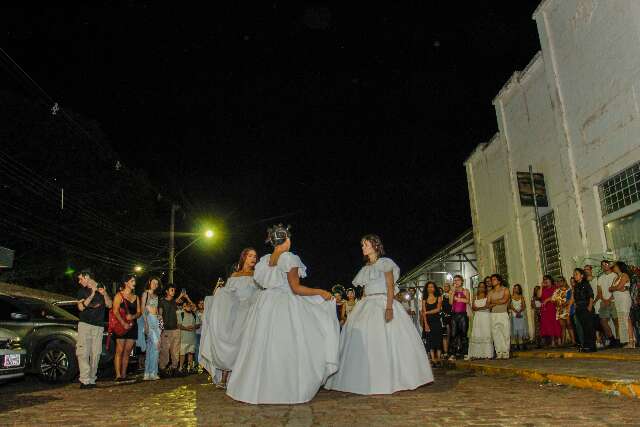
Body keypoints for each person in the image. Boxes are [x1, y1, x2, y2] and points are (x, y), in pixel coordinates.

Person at [226, 225, 339, 404]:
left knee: (263, 347)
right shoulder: (289, 258)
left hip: (265, 305)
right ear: (287, 239)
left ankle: (258, 389)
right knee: (291, 344)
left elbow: (264, 283)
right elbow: (296, 288)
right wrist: (320, 292)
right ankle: (287, 389)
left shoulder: (264, 261)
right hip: (284, 304)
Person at [325, 234, 433, 395]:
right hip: (367, 304)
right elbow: (364, 291)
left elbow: (390, 287)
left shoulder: (385, 263)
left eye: (366, 244)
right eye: (362, 245)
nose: (363, 247)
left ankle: (393, 378)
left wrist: (389, 308)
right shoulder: (365, 268)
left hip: (383, 302)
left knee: (387, 339)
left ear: (375, 246)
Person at [200, 247, 260, 388]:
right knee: (230, 342)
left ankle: (244, 380)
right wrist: (214, 299)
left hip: (250, 313)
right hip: (236, 314)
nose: (253, 258)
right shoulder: (234, 275)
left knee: (247, 345)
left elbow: (260, 293)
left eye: (255, 256)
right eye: (250, 255)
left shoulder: (257, 275)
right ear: (244, 257)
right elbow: (227, 295)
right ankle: (224, 379)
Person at [76, 269, 112, 389]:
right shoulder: (82, 291)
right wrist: (91, 294)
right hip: (84, 324)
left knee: (96, 353)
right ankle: (84, 380)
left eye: (81, 278)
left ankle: (91, 379)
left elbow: (110, 305)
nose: (80, 281)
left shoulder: (102, 288)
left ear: (87, 277)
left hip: (98, 326)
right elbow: (80, 307)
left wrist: (104, 293)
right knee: (83, 353)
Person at [112, 274, 142, 381]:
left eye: (134, 281)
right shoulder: (119, 295)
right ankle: (118, 375)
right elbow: (115, 311)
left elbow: (139, 312)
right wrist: (123, 322)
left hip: (132, 326)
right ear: (126, 283)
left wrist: (133, 316)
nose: (134, 283)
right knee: (119, 350)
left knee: (127, 351)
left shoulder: (136, 297)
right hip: (121, 326)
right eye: (132, 281)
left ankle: (124, 374)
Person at [159, 285, 186, 376]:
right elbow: (160, 315)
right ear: (167, 291)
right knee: (165, 351)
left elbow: (176, 304)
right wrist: (160, 329)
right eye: (171, 290)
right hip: (166, 330)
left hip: (175, 330)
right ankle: (162, 369)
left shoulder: (175, 302)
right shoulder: (162, 302)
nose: (173, 291)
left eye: (174, 290)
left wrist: (182, 296)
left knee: (175, 351)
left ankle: (174, 369)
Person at [610, 261, 635, 348]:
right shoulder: (615, 278)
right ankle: (628, 341)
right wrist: (615, 288)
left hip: (624, 299)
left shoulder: (624, 275)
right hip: (617, 300)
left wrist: (615, 288)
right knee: (622, 320)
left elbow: (618, 287)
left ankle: (631, 341)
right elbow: (612, 288)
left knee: (626, 318)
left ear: (620, 267)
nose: (614, 267)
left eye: (615, 266)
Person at [141, 277, 161, 381]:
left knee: (151, 348)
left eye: (157, 283)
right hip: (149, 320)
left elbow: (157, 310)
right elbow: (142, 309)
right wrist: (145, 323)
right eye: (154, 282)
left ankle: (147, 373)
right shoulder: (146, 294)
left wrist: (159, 317)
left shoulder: (156, 296)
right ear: (149, 282)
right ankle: (153, 372)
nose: (155, 285)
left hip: (156, 321)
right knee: (156, 345)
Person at [487, 274, 511, 359]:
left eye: (494, 279)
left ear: (499, 281)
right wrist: (498, 301)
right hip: (493, 315)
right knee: (496, 334)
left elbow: (504, 300)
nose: (492, 281)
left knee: (505, 333)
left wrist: (493, 302)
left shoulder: (505, 289)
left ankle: (506, 352)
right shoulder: (490, 292)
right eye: (492, 280)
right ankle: (499, 352)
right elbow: (487, 305)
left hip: (503, 313)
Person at [468, 281, 493, 359]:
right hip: (477, 317)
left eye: (483, 287)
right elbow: (473, 307)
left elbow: (489, 306)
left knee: (486, 333)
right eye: (480, 286)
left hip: (486, 316)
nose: (481, 288)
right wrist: (482, 308)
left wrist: (479, 308)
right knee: (477, 333)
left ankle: (487, 354)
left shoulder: (488, 295)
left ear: (485, 288)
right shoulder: (475, 296)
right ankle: (477, 354)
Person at [573, 268, 596, 352]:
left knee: (589, 327)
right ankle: (586, 346)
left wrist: (590, 306)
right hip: (579, 309)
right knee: (583, 328)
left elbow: (591, 295)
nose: (574, 275)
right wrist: (575, 306)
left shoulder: (586, 284)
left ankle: (592, 346)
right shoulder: (576, 286)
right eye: (574, 274)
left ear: (582, 276)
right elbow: (575, 298)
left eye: (576, 274)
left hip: (586, 307)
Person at [421, 281, 443, 365]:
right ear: (426, 288)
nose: (430, 288)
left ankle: (439, 358)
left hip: (437, 320)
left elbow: (438, 309)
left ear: (435, 288)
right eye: (429, 287)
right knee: (430, 340)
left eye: (432, 287)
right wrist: (425, 324)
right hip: (428, 321)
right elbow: (423, 312)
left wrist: (427, 313)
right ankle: (433, 359)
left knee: (438, 339)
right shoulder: (424, 299)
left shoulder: (439, 297)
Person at [597, 260, 620, 344]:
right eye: (602, 265)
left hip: (614, 301)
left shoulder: (615, 275)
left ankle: (618, 339)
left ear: (609, 265)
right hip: (604, 302)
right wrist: (604, 300)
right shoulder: (600, 278)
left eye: (606, 264)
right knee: (603, 321)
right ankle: (612, 339)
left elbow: (616, 288)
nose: (604, 266)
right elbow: (599, 291)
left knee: (616, 321)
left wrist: (610, 299)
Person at [448, 275, 470, 360]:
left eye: (458, 280)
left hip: (463, 315)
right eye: (455, 280)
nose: (456, 282)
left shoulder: (465, 291)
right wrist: (453, 292)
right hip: (454, 315)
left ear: (462, 281)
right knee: (453, 334)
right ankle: (452, 354)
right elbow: (450, 303)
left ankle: (465, 353)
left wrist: (458, 299)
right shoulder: (451, 291)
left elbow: (468, 301)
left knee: (464, 334)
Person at [539, 275, 561, 347]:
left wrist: (547, 300)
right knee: (549, 326)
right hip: (545, 310)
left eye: (547, 279)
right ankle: (552, 342)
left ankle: (559, 340)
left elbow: (556, 296)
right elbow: (539, 296)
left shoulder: (555, 288)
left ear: (550, 280)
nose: (545, 281)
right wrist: (541, 286)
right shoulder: (544, 289)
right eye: (544, 280)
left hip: (553, 308)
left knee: (555, 324)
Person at [177, 300, 199, 374]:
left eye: (190, 306)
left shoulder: (194, 314)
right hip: (183, 339)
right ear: (184, 306)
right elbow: (179, 325)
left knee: (191, 353)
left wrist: (194, 327)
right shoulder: (181, 314)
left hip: (192, 339)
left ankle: (190, 368)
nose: (189, 307)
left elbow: (198, 324)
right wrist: (187, 328)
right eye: (187, 306)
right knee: (182, 354)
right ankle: (180, 368)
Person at [552, 277, 575, 346]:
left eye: (561, 281)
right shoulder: (556, 291)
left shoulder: (569, 290)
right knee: (563, 327)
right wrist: (557, 304)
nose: (560, 282)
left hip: (567, 309)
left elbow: (570, 299)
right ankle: (563, 342)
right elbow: (553, 300)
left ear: (564, 281)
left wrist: (564, 305)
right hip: (560, 310)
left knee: (569, 325)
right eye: (558, 281)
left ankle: (573, 341)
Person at [509, 284, 528, 351]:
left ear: (519, 289)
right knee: (515, 329)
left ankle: (522, 343)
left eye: (517, 288)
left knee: (521, 328)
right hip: (514, 314)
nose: (516, 289)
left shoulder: (521, 297)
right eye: (515, 288)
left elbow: (523, 305)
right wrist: (516, 312)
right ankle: (516, 344)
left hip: (521, 314)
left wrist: (519, 311)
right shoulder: (510, 297)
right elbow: (510, 306)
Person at [440, 283, 452, 358]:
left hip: (452, 316)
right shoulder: (441, 296)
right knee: (445, 335)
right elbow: (440, 307)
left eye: (447, 286)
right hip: (444, 317)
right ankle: (445, 351)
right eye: (444, 286)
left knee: (451, 334)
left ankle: (450, 350)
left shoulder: (452, 295)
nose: (446, 287)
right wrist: (443, 314)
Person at [194, 299, 204, 368]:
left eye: (203, 303)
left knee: (203, 349)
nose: (202, 305)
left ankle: (203, 365)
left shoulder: (207, 312)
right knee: (197, 349)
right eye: (200, 303)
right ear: (198, 305)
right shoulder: (196, 312)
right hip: (197, 333)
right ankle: (197, 364)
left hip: (205, 334)